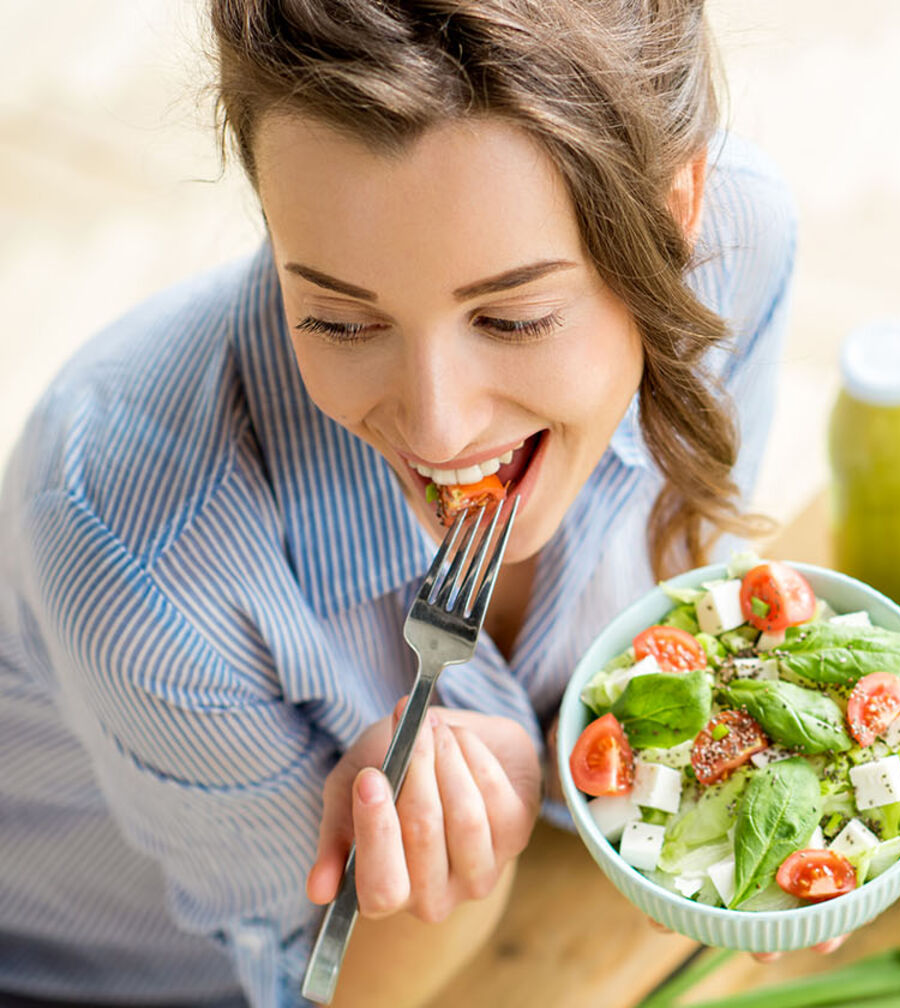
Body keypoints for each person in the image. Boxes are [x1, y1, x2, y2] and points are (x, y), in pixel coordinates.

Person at [0, 0, 820, 1003]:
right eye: (342, 321)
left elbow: (669, 632)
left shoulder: (740, 247)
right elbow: (320, 989)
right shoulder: (132, 554)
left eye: (514, 319)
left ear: (679, 214)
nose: (435, 430)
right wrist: (451, 850)